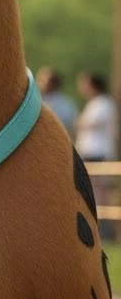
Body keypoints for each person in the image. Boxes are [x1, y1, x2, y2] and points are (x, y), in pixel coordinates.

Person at [75, 71, 118, 242]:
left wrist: (80, 122)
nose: (82, 87)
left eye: (85, 83)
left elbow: (87, 123)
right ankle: (97, 227)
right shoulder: (93, 104)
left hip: (98, 153)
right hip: (89, 153)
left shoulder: (104, 103)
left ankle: (105, 230)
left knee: (99, 192)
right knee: (91, 192)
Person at [35, 67, 77, 138]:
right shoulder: (34, 98)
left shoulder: (63, 103)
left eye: (43, 80)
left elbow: (71, 125)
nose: (39, 83)